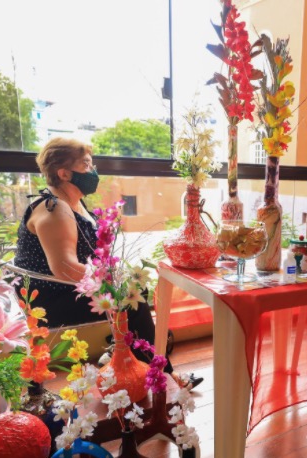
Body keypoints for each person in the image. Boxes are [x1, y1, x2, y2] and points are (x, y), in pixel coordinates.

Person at [14, 137, 201, 388]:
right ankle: (162, 374)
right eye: (87, 164)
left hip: (73, 286)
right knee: (133, 302)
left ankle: (127, 360)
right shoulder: (54, 210)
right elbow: (64, 268)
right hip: (50, 296)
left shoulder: (75, 203)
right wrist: (114, 281)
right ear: (64, 173)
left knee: (136, 292)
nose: (93, 171)